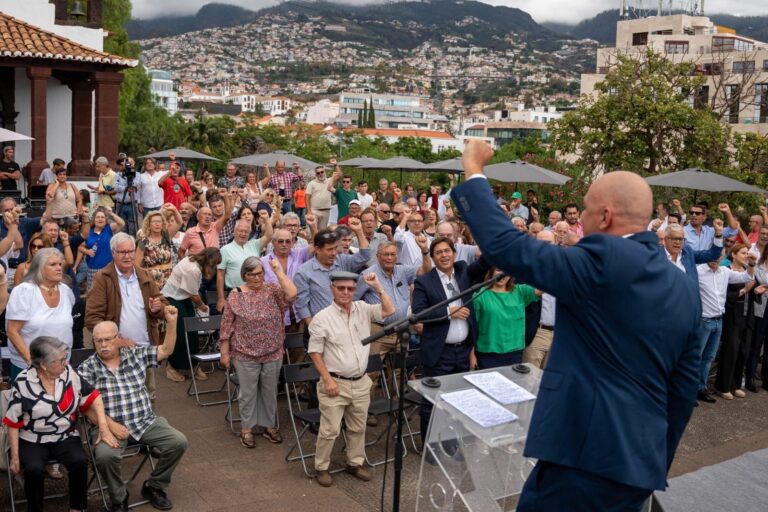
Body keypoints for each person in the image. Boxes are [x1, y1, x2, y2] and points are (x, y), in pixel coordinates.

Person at [453, 140, 701, 511]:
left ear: (604, 216)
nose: (579, 221)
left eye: (584, 211)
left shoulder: (601, 261)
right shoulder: (683, 285)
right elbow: (684, 389)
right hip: (637, 462)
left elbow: (507, 248)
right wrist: (651, 460)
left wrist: (473, 170)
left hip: (582, 458)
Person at [78, 310, 188, 512]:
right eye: (98, 341)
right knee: (104, 456)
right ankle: (119, 497)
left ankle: (154, 486)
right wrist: (110, 425)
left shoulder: (136, 355)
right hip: (108, 426)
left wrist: (172, 323)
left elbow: (166, 349)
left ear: (118, 339)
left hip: (144, 420)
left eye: (108, 340)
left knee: (178, 442)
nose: (103, 345)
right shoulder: (87, 368)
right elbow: (84, 406)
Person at [4, 336, 116, 512]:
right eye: (60, 360)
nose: (66, 362)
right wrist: (15, 457)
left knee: (79, 462)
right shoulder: (23, 382)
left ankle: (77, 509)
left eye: (65, 357)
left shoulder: (69, 374)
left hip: (65, 434)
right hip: (33, 438)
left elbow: (93, 396)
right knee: (33, 469)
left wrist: (104, 428)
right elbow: (12, 421)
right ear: (43, 365)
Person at [308, 271, 394, 487]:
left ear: (355, 290)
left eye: (350, 289)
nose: (346, 292)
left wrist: (378, 287)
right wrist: (327, 380)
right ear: (332, 289)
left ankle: (354, 463)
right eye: (341, 288)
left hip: (361, 382)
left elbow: (389, 311)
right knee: (330, 430)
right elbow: (314, 353)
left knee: (358, 427)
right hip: (335, 382)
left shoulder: (363, 309)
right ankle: (322, 467)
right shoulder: (322, 318)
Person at [412, 236, 491, 442]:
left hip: (463, 351)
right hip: (439, 353)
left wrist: (490, 240)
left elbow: (484, 263)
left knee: (461, 398)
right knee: (432, 400)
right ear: (433, 257)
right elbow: (419, 314)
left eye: (447, 251)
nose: (444, 255)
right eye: (438, 252)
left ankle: (453, 443)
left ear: (454, 253)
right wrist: (448, 311)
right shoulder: (424, 281)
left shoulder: (464, 271)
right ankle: (430, 446)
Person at [220, 257, 297, 447]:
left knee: (269, 391)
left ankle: (269, 426)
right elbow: (226, 326)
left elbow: (293, 293)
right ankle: (246, 429)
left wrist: (278, 271)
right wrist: (224, 353)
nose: (256, 278)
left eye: (260, 273)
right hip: (245, 353)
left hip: (273, 351)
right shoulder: (236, 295)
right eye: (251, 274)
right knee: (248, 392)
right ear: (244, 275)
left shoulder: (272, 290)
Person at [85, 232, 169, 401]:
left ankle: (148, 428)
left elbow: (162, 303)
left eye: (131, 251)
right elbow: (92, 318)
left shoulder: (144, 275)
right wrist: (117, 342)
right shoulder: (103, 278)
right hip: (117, 353)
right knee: (120, 400)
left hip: (145, 349)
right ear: (113, 253)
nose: (127, 256)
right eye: (122, 252)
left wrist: (158, 307)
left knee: (149, 396)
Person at [6, 248, 77, 380]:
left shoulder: (66, 291)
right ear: (39, 268)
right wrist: (32, 363)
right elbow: (12, 331)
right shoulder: (24, 291)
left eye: (60, 264)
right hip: (29, 367)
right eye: (52, 264)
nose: (59, 268)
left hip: (62, 366)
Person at [695, 254, 755, 403]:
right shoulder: (698, 271)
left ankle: (700, 388)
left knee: (709, 358)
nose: (715, 260)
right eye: (712, 256)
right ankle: (688, 390)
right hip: (703, 321)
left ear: (722, 257)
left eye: (718, 256)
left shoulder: (725, 272)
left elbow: (746, 278)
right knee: (696, 357)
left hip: (718, 321)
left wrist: (752, 265)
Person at [162, 247, 221, 382]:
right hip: (173, 298)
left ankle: (193, 365)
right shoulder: (192, 269)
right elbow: (194, 295)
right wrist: (202, 306)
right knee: (180, 333)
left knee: (192, 331)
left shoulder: (194, 261)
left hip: (183, 297)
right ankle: (172, 368)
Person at [713, 244, 761, 400]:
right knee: (730, 350)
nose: (746, 255)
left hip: (748, 316)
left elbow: (753, 285)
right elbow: (726, 297)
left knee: (743, 351)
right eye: (743, 253)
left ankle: (735, 385)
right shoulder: (727, 272)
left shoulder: (748, 271)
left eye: (747, 253)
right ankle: (723, 386)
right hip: (733, 316)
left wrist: (756, 290)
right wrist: (745, 290)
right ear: (733, 255)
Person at [470, 267, 539, 369]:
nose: (502, 275)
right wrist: (471, 355)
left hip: (514, 353)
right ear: (491, 271)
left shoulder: (520, 291)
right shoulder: (480, 295)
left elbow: (543, 288)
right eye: (498, 270)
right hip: (488, 354)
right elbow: (472, 328)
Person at [216, 216, 273, 312]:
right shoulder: (225, 249)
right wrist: (221, 298)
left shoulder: (255, 244)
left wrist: (267, 219)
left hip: (255, 292)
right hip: (235, 292)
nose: (243, 234)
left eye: (246, 232)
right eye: (240, 231)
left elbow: (269, 236)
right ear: (234, 231)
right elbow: (220, 275)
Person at [78, 206, 125, 290]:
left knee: (110, 291)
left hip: (109, 267)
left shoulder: (108, 228)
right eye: (98, 217)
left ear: (106, 219)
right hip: (93, 268)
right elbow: (80, 247)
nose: (100, 219)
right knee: (93, 292)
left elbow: (121, 223)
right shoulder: (88, 231)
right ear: (94, 219)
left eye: (102, 217)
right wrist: (87, 251)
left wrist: (111, 214)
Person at [135, 211, 174, 290]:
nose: (157, 224)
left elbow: (179, 222)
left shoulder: (166, 238)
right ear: (149, 224)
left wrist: (173, 210)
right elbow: (136, 265)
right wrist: (151, 271)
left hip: (169, 280)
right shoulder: (143, 242)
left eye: (159, 221)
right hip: (152, 281)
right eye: (154, 222)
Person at [305, 165, 333, 231]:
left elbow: (339, 175)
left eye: (322, 172)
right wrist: (309, 211)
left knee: (322, 233)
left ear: (324, 172)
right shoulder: (311, 183)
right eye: (318, 173)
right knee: (311, 231)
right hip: (314, 211)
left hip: (326, 211)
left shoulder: (329, 181)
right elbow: (307, 197)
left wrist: (336, 165)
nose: (320, 174)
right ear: (316, 174)